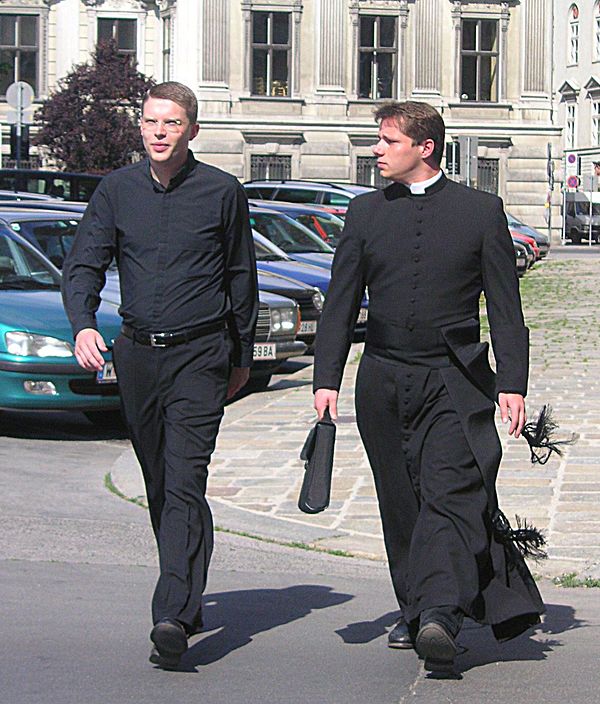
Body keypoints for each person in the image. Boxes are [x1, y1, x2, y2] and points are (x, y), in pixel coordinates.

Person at [313, 101, 544, 674]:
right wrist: (326, 380)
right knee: (400, 498)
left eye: (389, 140)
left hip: (453, 379)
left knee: (448, 491)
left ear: (426, 147)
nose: (377, 149)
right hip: (383, 378)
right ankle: (413, 606)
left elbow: (505, 308)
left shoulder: (480, 211)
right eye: (379, 140)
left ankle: (441, 613)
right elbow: (340, 302)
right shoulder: (364, 213)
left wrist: (511, 383)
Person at [62, 81, 258, 668]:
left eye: (171, 123)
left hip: (201, 354)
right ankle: (188, 590)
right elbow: (84, 262)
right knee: (160, 483)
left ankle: (171, 612)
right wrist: (82, 324)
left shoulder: (223, 192)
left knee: (183, 478)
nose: (158, 132)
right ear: (140, 127)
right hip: (138, 355)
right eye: (150, 122)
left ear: (191, 130)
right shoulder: (117, 191)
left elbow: (240, 276)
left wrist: (241, 357)